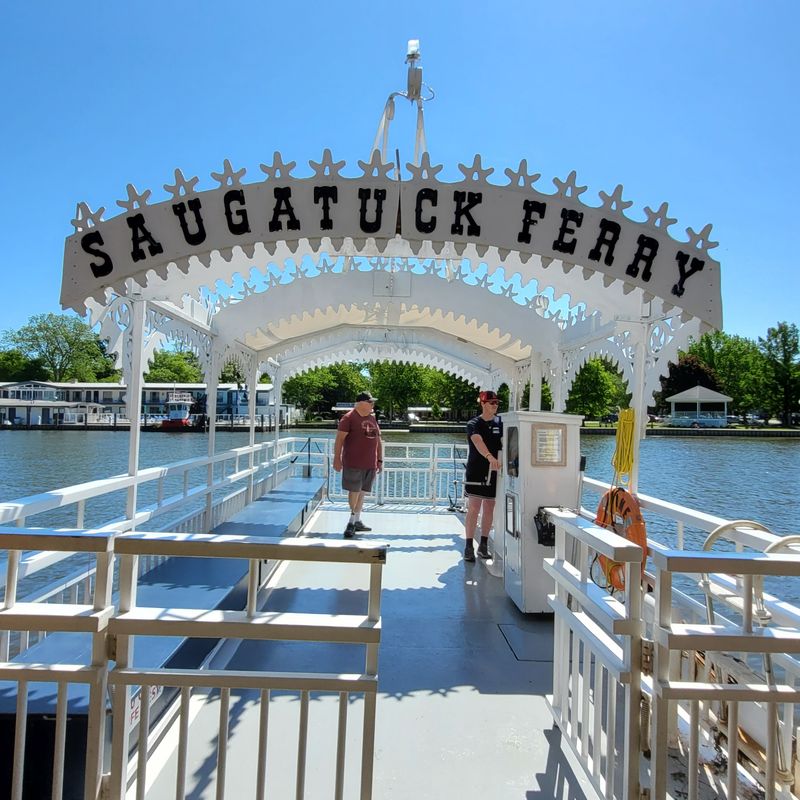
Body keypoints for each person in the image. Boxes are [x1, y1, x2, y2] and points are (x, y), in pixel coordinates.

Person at [333, 391, 383, 538]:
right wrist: (337, 458)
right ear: (361, 403)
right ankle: (351, 520)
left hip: (370, 463)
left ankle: (356, 520)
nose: (373, 404)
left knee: (362, 492)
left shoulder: (372, 419)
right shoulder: (348, 418)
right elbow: (339, 440)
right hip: (353, 462)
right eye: (370, 402)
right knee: (354, 491)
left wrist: (379, 460)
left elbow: (378, 440)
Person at [463, 389, 503, 562]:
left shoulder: (501, 423)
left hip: (494, 472)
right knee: (473, 508)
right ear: (483, 403)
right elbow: (477, 441)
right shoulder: (474, 424)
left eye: (496, 403)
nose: (495, 406)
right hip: (477, 470)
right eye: (491, 403)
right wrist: (489, 457)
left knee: (489, 507)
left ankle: (484, 544)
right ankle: (468, 546)